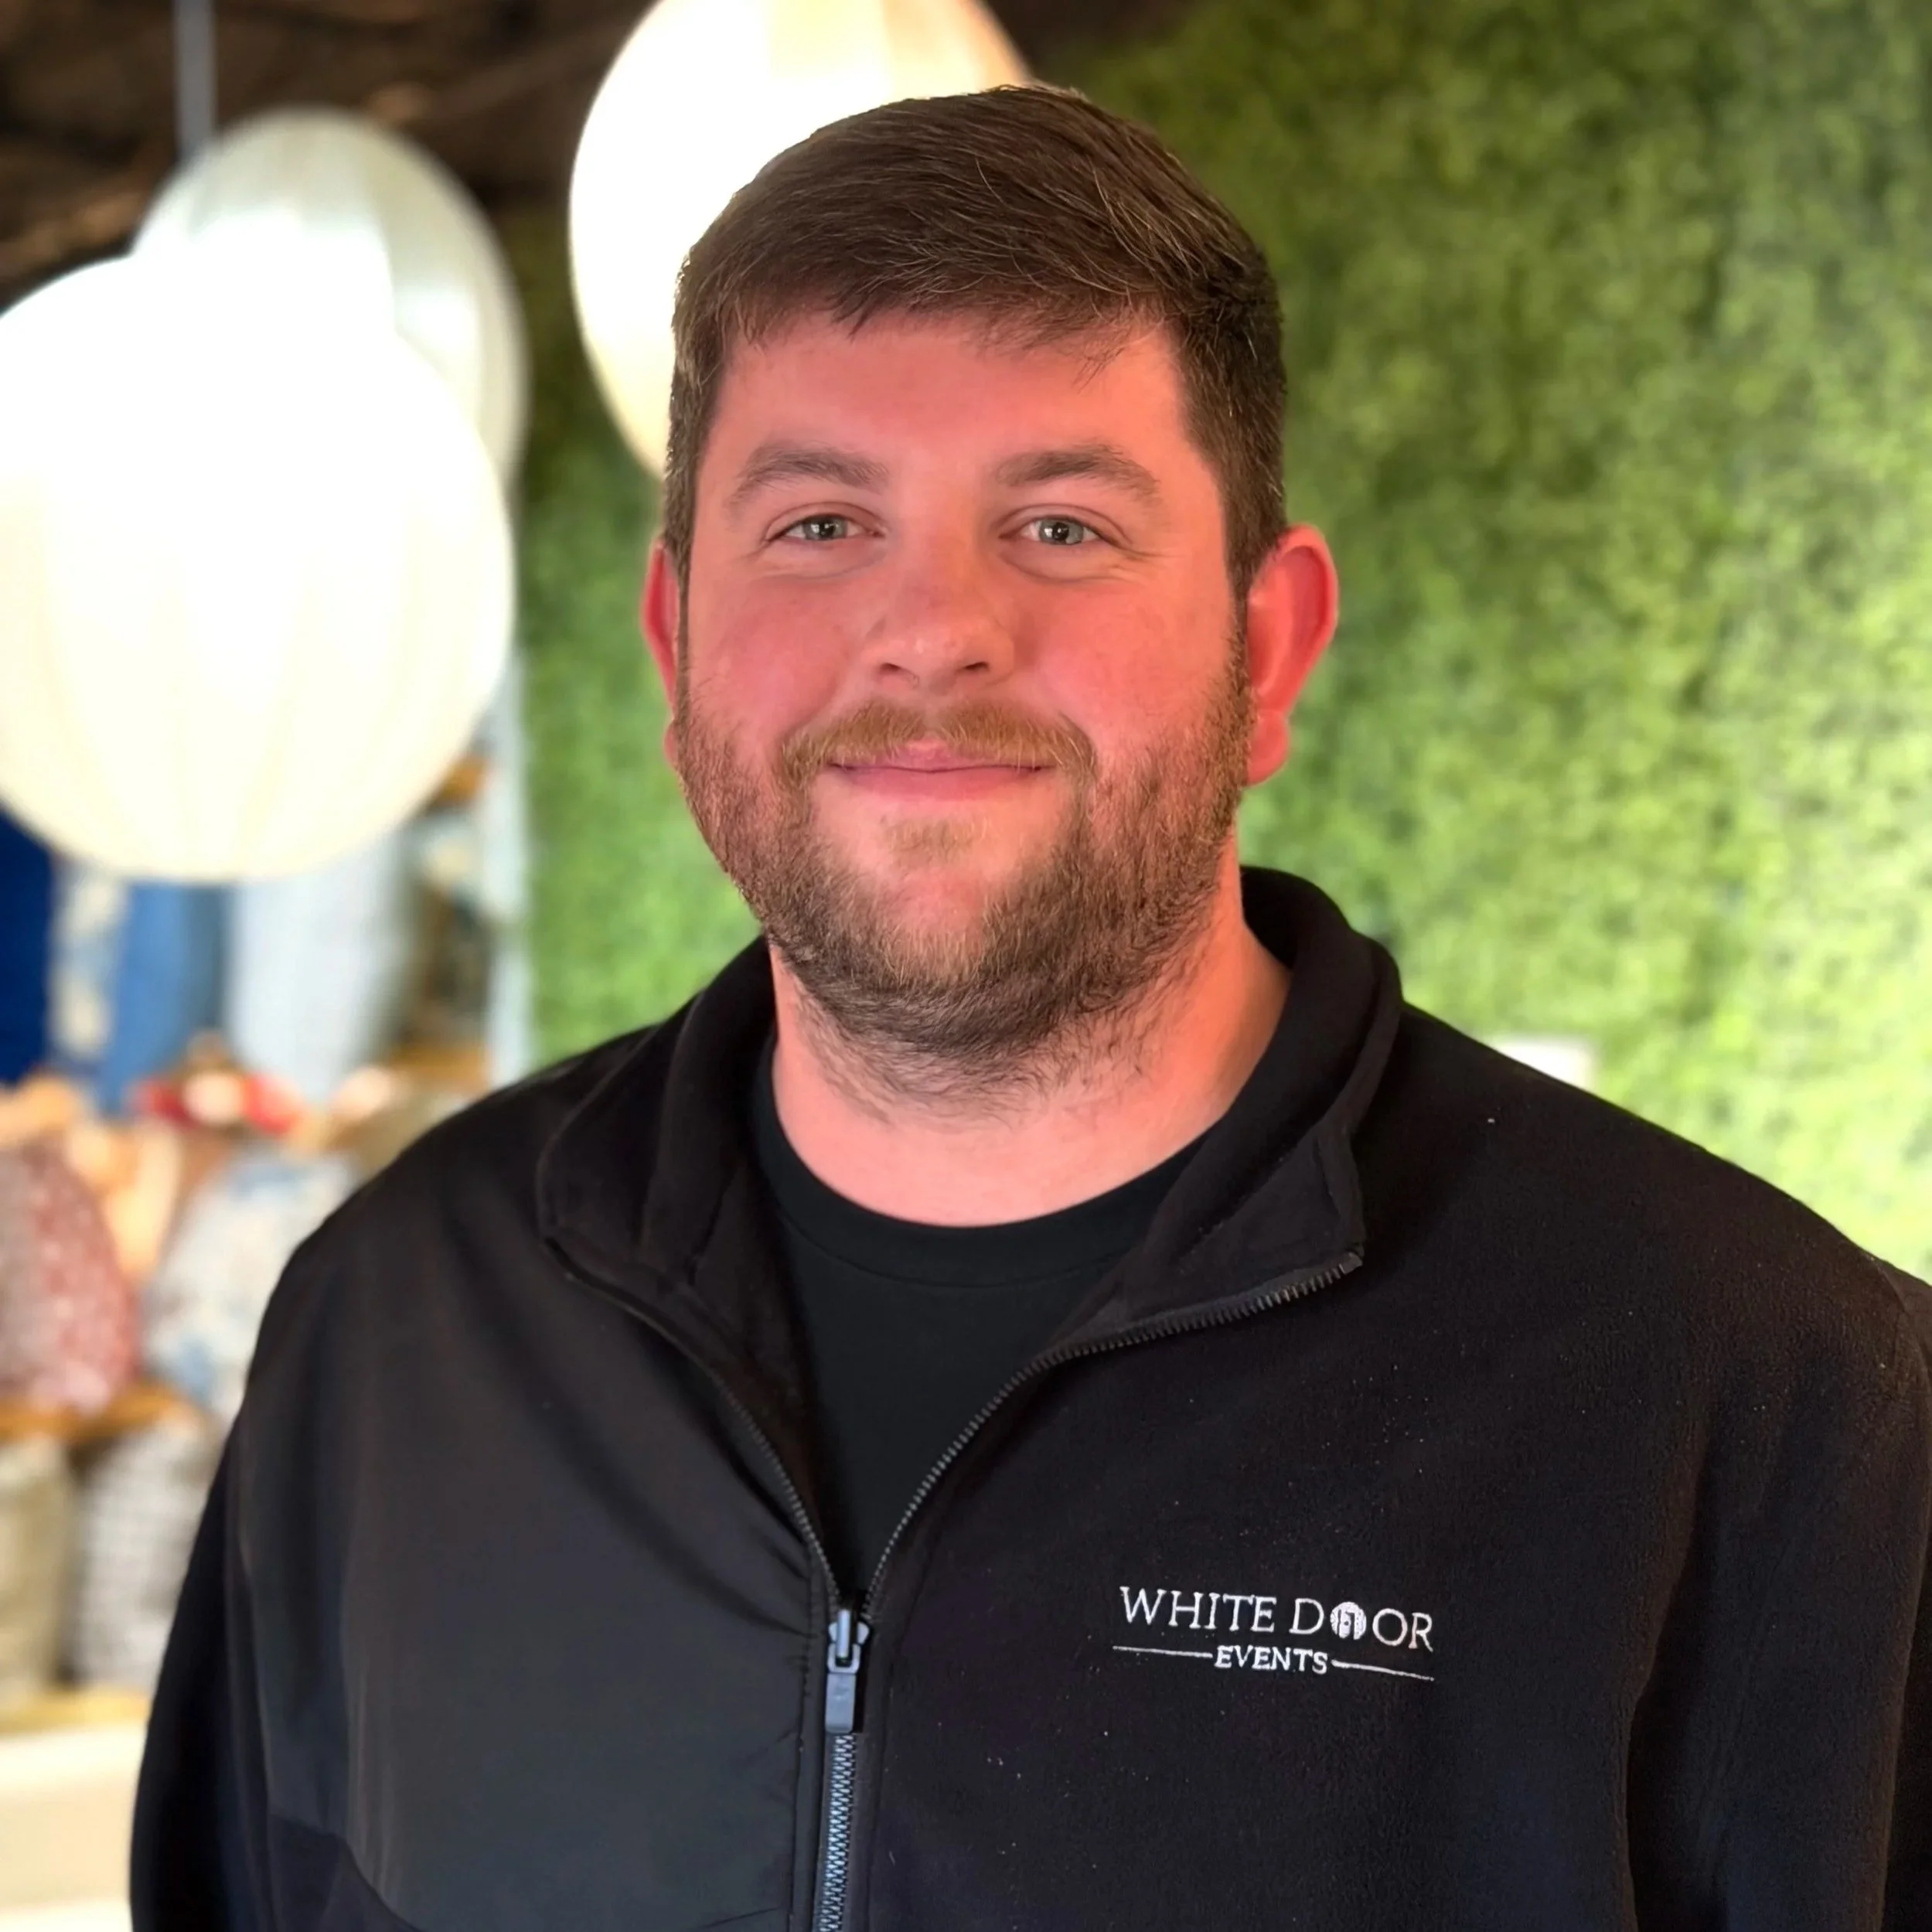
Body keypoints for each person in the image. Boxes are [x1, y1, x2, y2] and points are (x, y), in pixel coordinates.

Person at [131, 84, 1931, 1932]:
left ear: (1267, 647)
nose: (932, 627)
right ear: (675, 646)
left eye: (1061, 525)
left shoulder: (1770, 1399)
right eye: (819, 522)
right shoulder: (397, 1326)